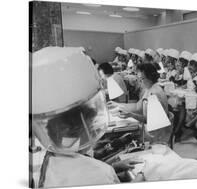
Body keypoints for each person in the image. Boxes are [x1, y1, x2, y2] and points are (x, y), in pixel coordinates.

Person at [31, 47, 144, 188]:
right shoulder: (98, 173)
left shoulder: (53, 157)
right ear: (85, 126)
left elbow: (80, 167)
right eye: (92, 122)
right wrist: (139, 181)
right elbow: (91, 174)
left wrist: (113, 168)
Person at [107, 63, 171, 143]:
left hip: (155, 135)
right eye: (139, 78)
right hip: (150, 129)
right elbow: (137, 106)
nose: (140, 82)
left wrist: (131, 115)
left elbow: (148, 120)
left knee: (119, 138)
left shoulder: (154, 94)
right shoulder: (149, 89)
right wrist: (117, 105)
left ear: (150, 78)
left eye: (142, 79)